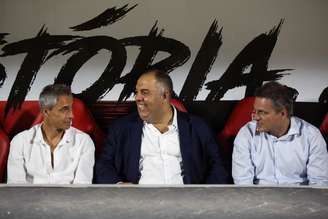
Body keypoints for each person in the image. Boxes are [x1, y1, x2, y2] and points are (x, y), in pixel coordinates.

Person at [95, 69, 227, 184]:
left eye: (145, 92)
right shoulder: (121, 129)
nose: (137, 98)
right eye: (137, 92)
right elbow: (103, 165)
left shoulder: (198, 127)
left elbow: (219, 166)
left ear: (164, 95)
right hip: (138, 204)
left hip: (188, 204)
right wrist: (119, 186)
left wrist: (204, 196)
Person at [232, 81, 328, 185]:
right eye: (255, 111)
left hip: (300, 199)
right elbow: (243, 184)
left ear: (283, 113)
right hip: (257, 198)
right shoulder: (246, 134)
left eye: (262, 112)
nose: (255, 117)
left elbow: (319, 184)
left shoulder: (312, 136)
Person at [7, 84, 95, 184]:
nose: (71, 115)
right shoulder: (20, 142)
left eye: (71, 109)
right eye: (64, 110)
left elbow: (82, 188)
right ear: (46, 112)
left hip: (70, 199)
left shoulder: (84, 142)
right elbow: (16, 189)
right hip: (30, 199)